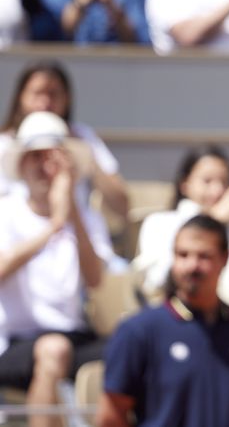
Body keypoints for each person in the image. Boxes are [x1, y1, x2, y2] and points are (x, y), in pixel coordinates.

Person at [96, 214, 229, 427]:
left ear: (225, 258)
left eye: (204, 256)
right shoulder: (138, 331)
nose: (192, 266)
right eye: (183, 255)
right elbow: (110, 415)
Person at [0, 111, 112, 427]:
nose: (43, 166)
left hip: (75, 337)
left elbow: (94, 280)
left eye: (52, 157)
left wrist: (71, 209)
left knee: (138, 343)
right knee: (53, 350)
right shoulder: (5, 211)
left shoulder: (87, 217)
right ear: (20, 164)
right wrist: (53, 227)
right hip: (13, 341)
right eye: (34, 156)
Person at [131, 145, 229, 311]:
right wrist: (213, 220)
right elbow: (157, 281)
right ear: (185, 183)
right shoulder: (159, 224)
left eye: (224, 181)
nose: (218, 190)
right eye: (207, 181)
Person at [0, 60, 128, 221]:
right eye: (37, 93)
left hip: (77, 237)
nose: (45, 103)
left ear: (67, 98)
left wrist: (82, 155)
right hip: (16, 241)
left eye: (53, 94)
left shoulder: (83, 137)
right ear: (21, 96)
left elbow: (122, 206)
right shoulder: (4, 143)